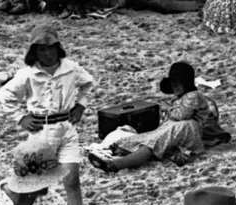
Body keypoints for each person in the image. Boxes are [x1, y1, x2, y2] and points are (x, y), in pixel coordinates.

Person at [0, 23, 95, 205]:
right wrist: (21, 118)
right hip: (41, 131)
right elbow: (6, 94)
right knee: (32, 185)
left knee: (72, 181)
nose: (47, 53)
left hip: (66, 129)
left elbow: (88, 83)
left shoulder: (71, 69)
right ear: (34, 52)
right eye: (41, 49)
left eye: (51, 48)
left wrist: (81, 105)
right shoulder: (28, 74)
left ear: (58, 48)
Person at [85, 61, 224, 172]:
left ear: (185, 82)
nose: (174, 86)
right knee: (148, 139)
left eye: (177, 83)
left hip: (188, 127)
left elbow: (182, 115)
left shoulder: (194, 96)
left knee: (153, 143)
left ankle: (115, 165)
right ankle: (113, 152)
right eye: (172, 84)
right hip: (178, 128)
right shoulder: (182, 98)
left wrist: (167, 109)